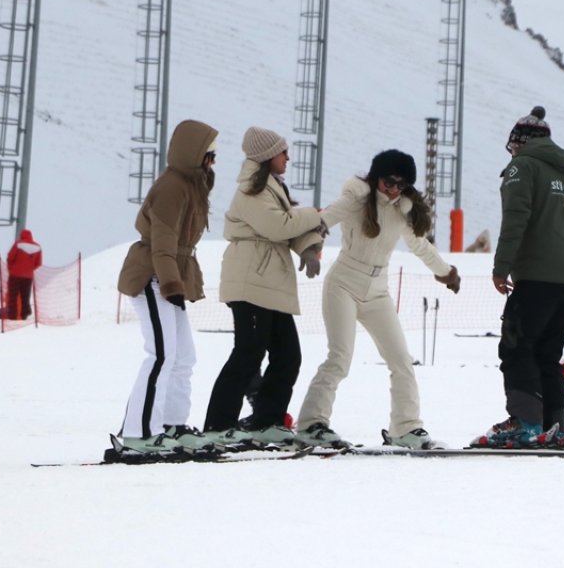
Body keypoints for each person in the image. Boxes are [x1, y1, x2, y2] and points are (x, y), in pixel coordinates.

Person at [295, 150, 461, 450]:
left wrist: (446, 273)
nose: (394, 188)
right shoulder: (357, 198)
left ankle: (405, 427)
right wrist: (309, 246)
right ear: (376, 178)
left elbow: (420, 247)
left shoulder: (404, 210)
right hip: (343, 284)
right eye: (388, 181)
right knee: (339, 358)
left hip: (377, 291)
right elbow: (322, 221)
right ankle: (311, 424)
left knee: (401, 361)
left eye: (401, 183)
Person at [202, 127, 326, 448]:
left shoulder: (272, 187)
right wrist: (315, 215)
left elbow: (285, 227)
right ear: (268, 155)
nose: (288, 157)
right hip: (250, 281)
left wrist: (309, 246)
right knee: (249, 352)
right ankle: (218, 424)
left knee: (288, 355)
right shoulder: (251, 190)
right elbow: (278, 226)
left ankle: (266, 421)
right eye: (283, 151)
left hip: (269, 283)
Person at [479, 107, 564, 449]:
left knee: (516, 347)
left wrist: (502, 267)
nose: (511, 152)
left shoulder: (522, 167)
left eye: (513, 145)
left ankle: (525, 423)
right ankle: (553, 426)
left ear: (520, 142)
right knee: (546, 354)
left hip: (537, 275)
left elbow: (516, 219)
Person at [114, 119, 220, 453]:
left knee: (183, 356)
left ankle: (172, 425)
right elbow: (161, 242)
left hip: (168, 276)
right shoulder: (172, 186)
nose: (213, 161)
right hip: (151, 276)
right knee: (161, 354)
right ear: (194, 153)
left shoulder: (191, 186)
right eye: (209, 154)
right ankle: (138, 433)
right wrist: (171, 281)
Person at [6, 228, 43, 320]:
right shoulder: (38, 247)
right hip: (28, 277)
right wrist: (29, 269)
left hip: (15, 275)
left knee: (13, 296)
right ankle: (25, 314)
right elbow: (38, 263)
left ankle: (12, 316)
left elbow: (10, 257)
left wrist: (11, 268)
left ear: (21, 236)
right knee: (25, 296)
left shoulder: (18, 244)